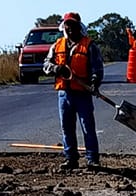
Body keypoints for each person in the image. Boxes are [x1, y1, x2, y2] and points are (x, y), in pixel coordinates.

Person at [42, 11, 103, 170]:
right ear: (64, 27)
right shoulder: (57, 45)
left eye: (73, 26)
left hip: (82, 94)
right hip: (64, 94)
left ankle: (92, 159)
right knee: (67, 128)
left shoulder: (89, 46)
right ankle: (71, 159)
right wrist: (56, 68)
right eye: (67, 26)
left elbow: (97, 68)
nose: (70, 30)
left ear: (79, 27)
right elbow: (46, 65)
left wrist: (95, 82)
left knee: (87, 127)